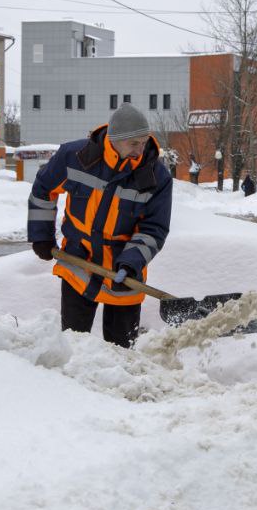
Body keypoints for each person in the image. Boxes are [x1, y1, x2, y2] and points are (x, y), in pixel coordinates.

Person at [28, 102, 172, 348]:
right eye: (133, 143)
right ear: (114, 140)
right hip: (78, 263)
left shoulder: (156, 177)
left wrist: (131, 262)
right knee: (73, 344)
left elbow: (154, 229)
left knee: (120, 351)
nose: (141, 150)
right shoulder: (75, 157)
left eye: (144, 141)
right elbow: (43, 189)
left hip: (123, 273)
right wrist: (41, 236)